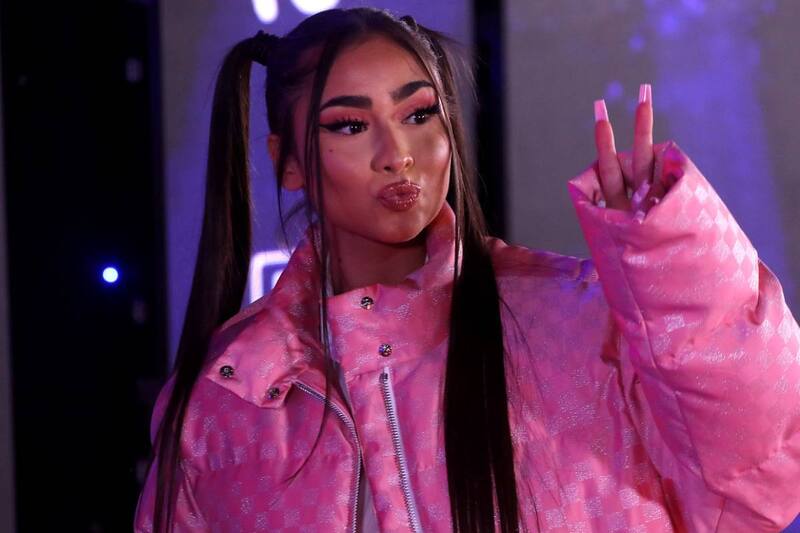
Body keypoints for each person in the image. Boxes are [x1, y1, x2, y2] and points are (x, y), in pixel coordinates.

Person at [134, 7, 800, 532]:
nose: (398, 153)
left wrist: (666, 253)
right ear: (288, 161)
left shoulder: (571, 321)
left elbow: (763, 467)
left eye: (420, 114)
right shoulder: (229, 397)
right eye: (350, 126)